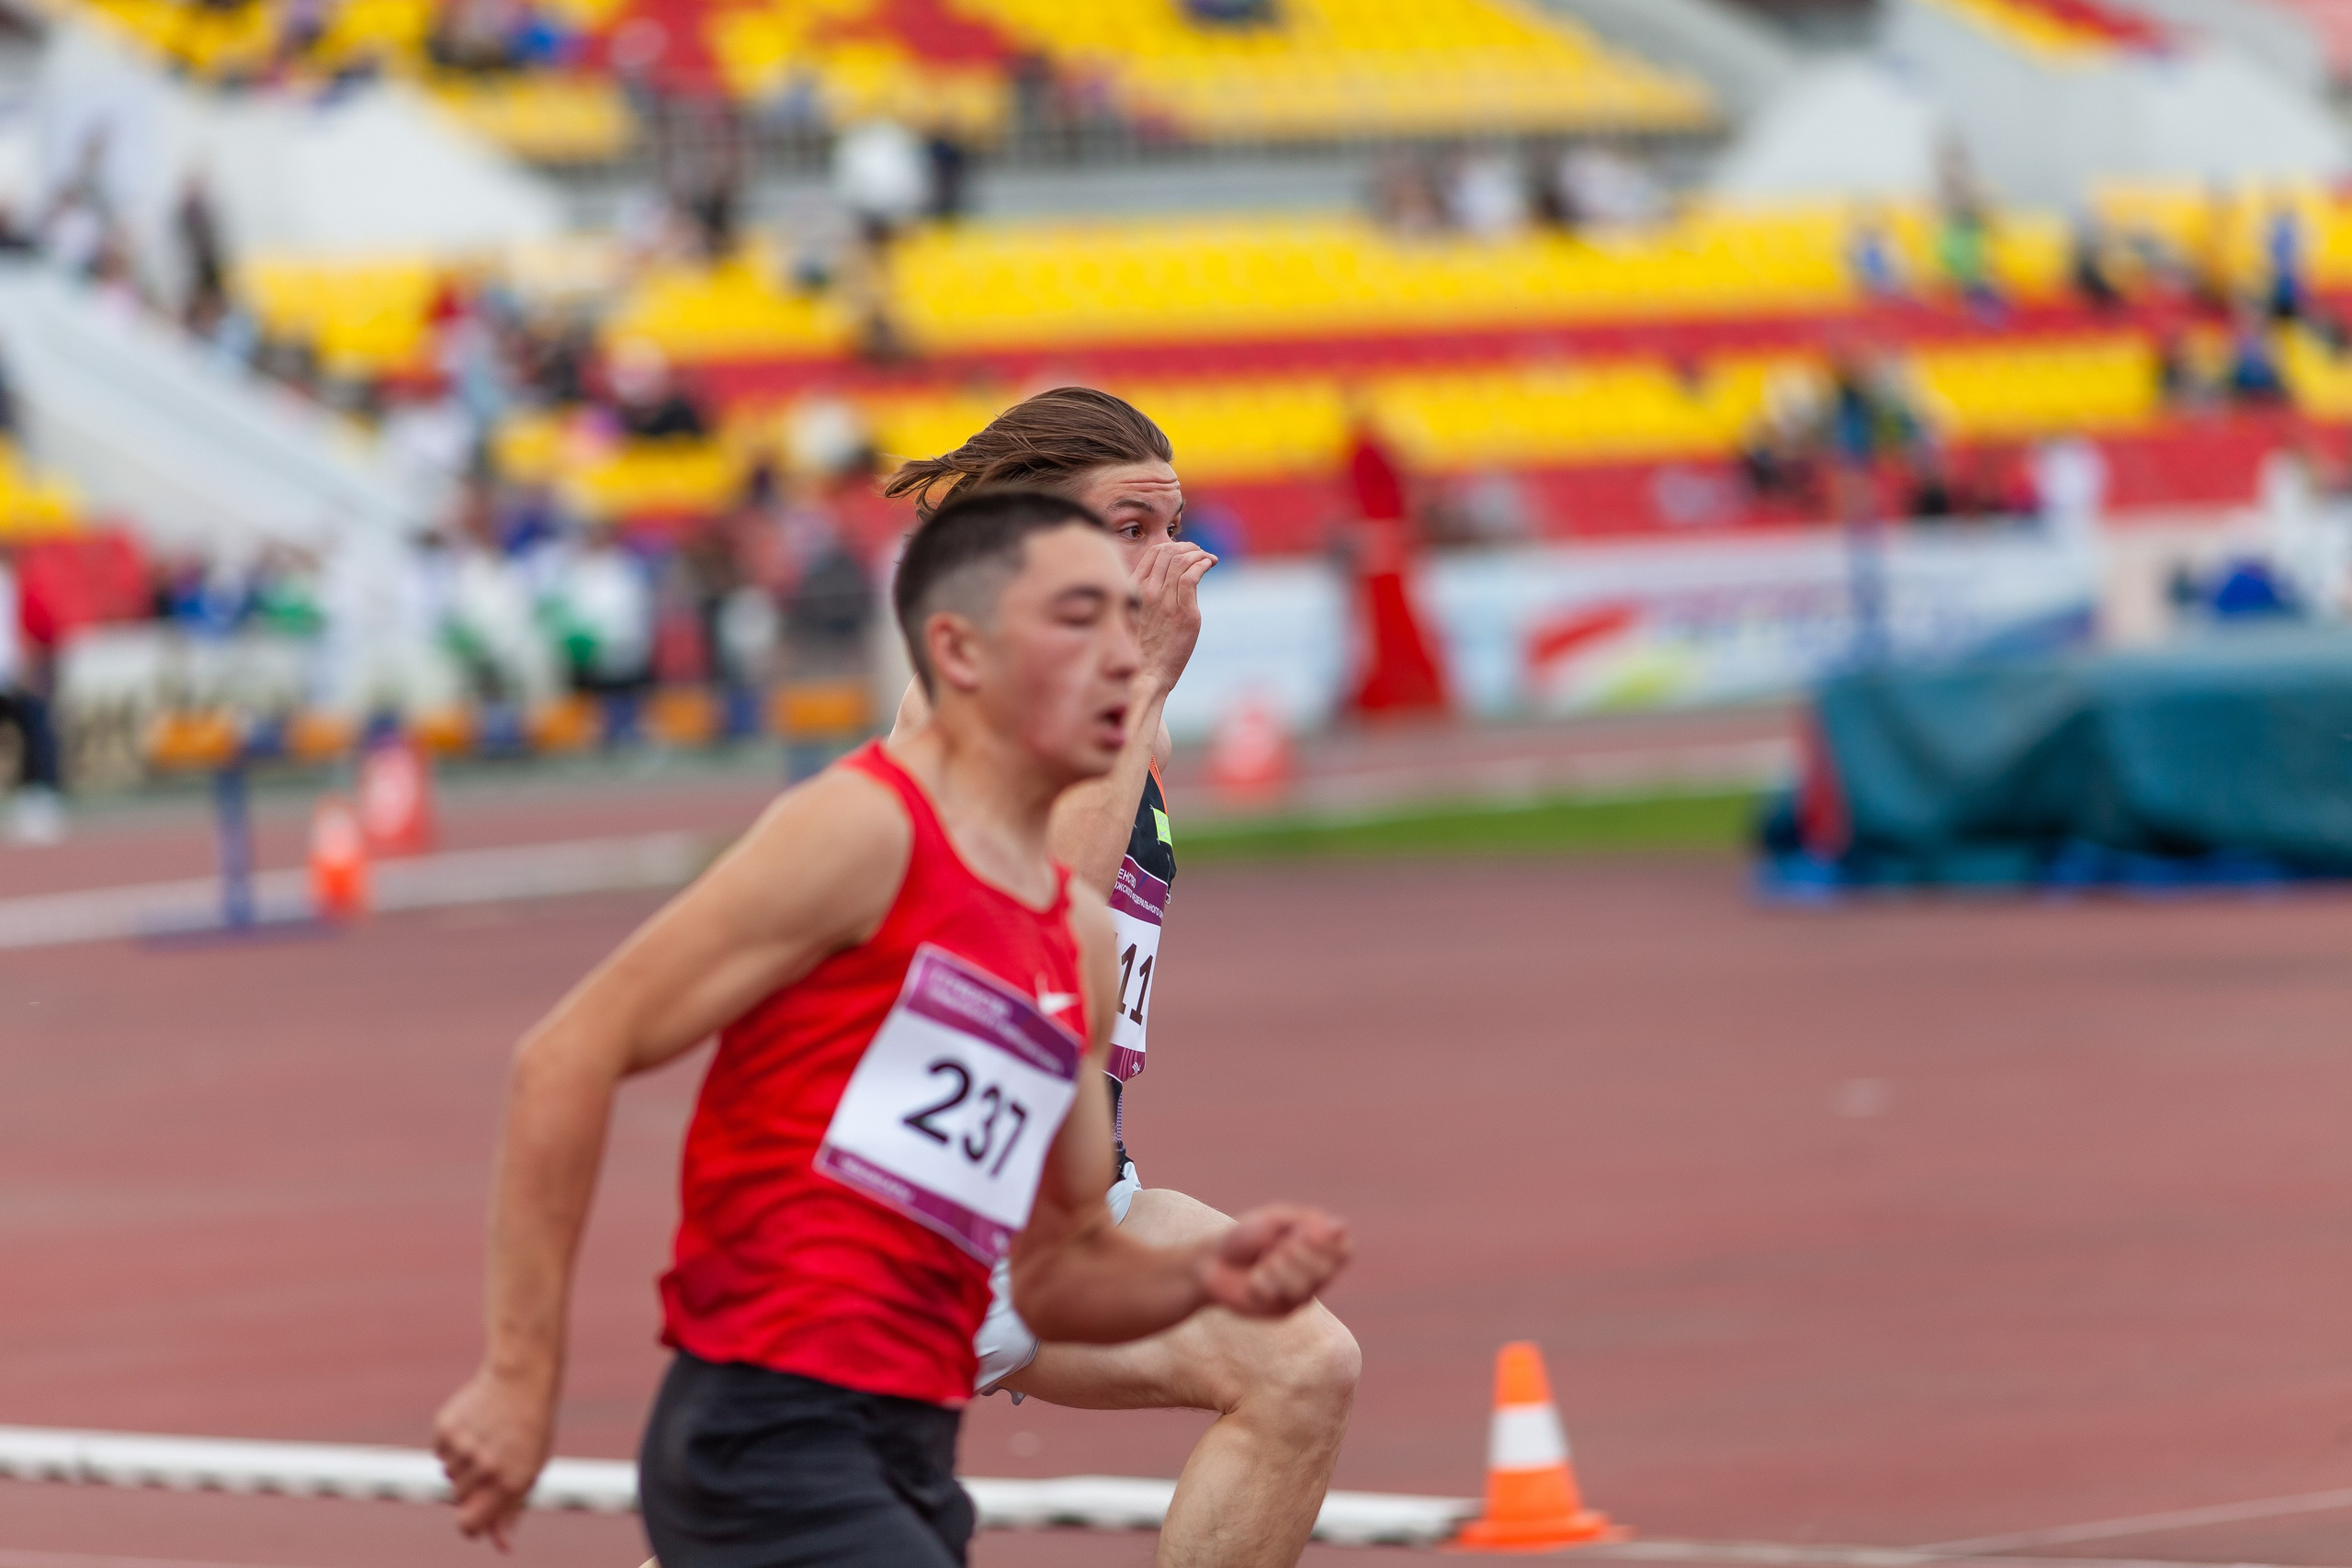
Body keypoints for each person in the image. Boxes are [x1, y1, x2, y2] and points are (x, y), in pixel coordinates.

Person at [431, 488, 1351, 1567]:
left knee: (1301, 1364)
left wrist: (1211, 1278)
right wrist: (516, 1376)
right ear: (963, 654)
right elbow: (564, 1054)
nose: (1131, 646)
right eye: (1084, 622)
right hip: (771, 1419)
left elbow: (1052, 1276)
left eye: (1132, 621)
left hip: (908, 1437)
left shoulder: (1080, 948)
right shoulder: (863, 831)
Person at [882, 389, 1363, 1568]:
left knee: (1300, 1366)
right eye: (1130, 527)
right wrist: (1144, 676)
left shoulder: (1112, 697)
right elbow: (1044, 919)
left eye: (1175, 525)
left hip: (1066, 1208)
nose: (1172, 560)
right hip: (903, 1230)